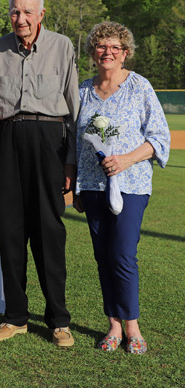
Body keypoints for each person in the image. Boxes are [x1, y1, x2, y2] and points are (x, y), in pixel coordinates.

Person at [0, 0, 79, 347]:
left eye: (27, 12)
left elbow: (73, 104)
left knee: (49, 232)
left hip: (51, 141)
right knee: (9, 230)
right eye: (14, 12)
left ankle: (59, 320)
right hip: (8, 140)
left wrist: (72, 159)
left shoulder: (62, 46)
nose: (20, 19)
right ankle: (15, 317)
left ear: (42, 14)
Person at [73, 21, 170, 354]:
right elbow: (75, 140)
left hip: (131, 183)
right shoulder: (83, 90)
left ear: (125, 52)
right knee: (102, 257)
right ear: (93, 52)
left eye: (115, 47)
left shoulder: (139, 86)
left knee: (123, 255)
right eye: (101, 46)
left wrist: (126, 159)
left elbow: (158, 137)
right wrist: (76, 186)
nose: (108, 52)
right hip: (92, 185)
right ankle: (113, 325)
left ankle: (132, 326)